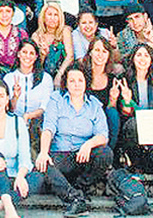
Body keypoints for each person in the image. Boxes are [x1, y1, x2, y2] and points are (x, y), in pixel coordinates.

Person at [0, 79, 69, 218]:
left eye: (1, 96)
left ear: (7, 99)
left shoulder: (18, 123)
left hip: (14, 180)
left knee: (38, 177)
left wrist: (21, 176)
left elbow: (25, 160)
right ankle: (10, 211)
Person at [35, 65, 112, 217]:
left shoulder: (94, 104)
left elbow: (103, 135)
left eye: (80, 80)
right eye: (72, 81)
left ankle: (80, 187)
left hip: (83, 157)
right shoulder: (56, 99)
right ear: (66, 83)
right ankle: (74, 198)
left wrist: (88, 144)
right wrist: (43, 153)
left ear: (86, 83)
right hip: (61, 156)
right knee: (43, 164)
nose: (76, 84)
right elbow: (48, 128)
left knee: (106, 153)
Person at [116, 44, 153, 202]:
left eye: (146, 55)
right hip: (133, 128)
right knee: (133, 124)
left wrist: (148, 117)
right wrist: (127, 102)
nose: (142, 59)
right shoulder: (124, 79)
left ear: (151, 59)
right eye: (138, 55)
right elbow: (124, 114)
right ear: (133, 58)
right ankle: (135, 165)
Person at [4, 39, 54, 141]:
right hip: (14, 121)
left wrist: (29, 116)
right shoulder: (9, 78)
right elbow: (10, 109)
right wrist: (15, 97)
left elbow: (45, 107)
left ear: (36, 57)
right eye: (24, 52)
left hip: (37, 123)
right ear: (18, 54)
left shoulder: (45, 78)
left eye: (31, 53)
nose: (27, 56)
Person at [82, 37, 121, 150]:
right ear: (90, 53)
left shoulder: (112, 79)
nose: (100, 54)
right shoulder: (81, 76)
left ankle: (109, 154)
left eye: (104, 51)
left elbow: (111, 111)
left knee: (113, 114)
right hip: (84, 119)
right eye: (97, 50)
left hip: (104, 125)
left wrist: (113, 99)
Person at [116, 3, 153, 70]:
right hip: (132, 67)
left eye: (137, 17)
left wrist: (152, 41)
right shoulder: (122, 36)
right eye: (130, 19)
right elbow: (121, 59)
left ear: (145, 17)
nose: (135, 22)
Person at [30, 3, 75, 86]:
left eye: (56, 15)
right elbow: (35, 64)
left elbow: (70, 56)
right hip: (44, 75)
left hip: (63, 73)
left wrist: (59, 75)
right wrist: (43, 55)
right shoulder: (36, 36)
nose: (53, 18)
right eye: (49, 15)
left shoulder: (65, 31)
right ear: (43, 17)